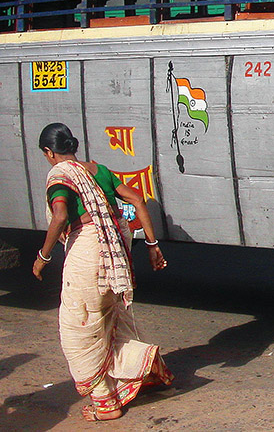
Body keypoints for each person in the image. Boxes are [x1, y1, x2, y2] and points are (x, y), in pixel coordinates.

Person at [32, 123, 173, 422]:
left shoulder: (60, 176)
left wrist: (43, 256)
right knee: (108, 324)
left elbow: (59, 216)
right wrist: (152, 244)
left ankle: (106, 402)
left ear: (49, 152)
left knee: (79, 332)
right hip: (114, 258)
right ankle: (138, 375)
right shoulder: (100, 171)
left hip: (86, 258)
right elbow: (137, 199)